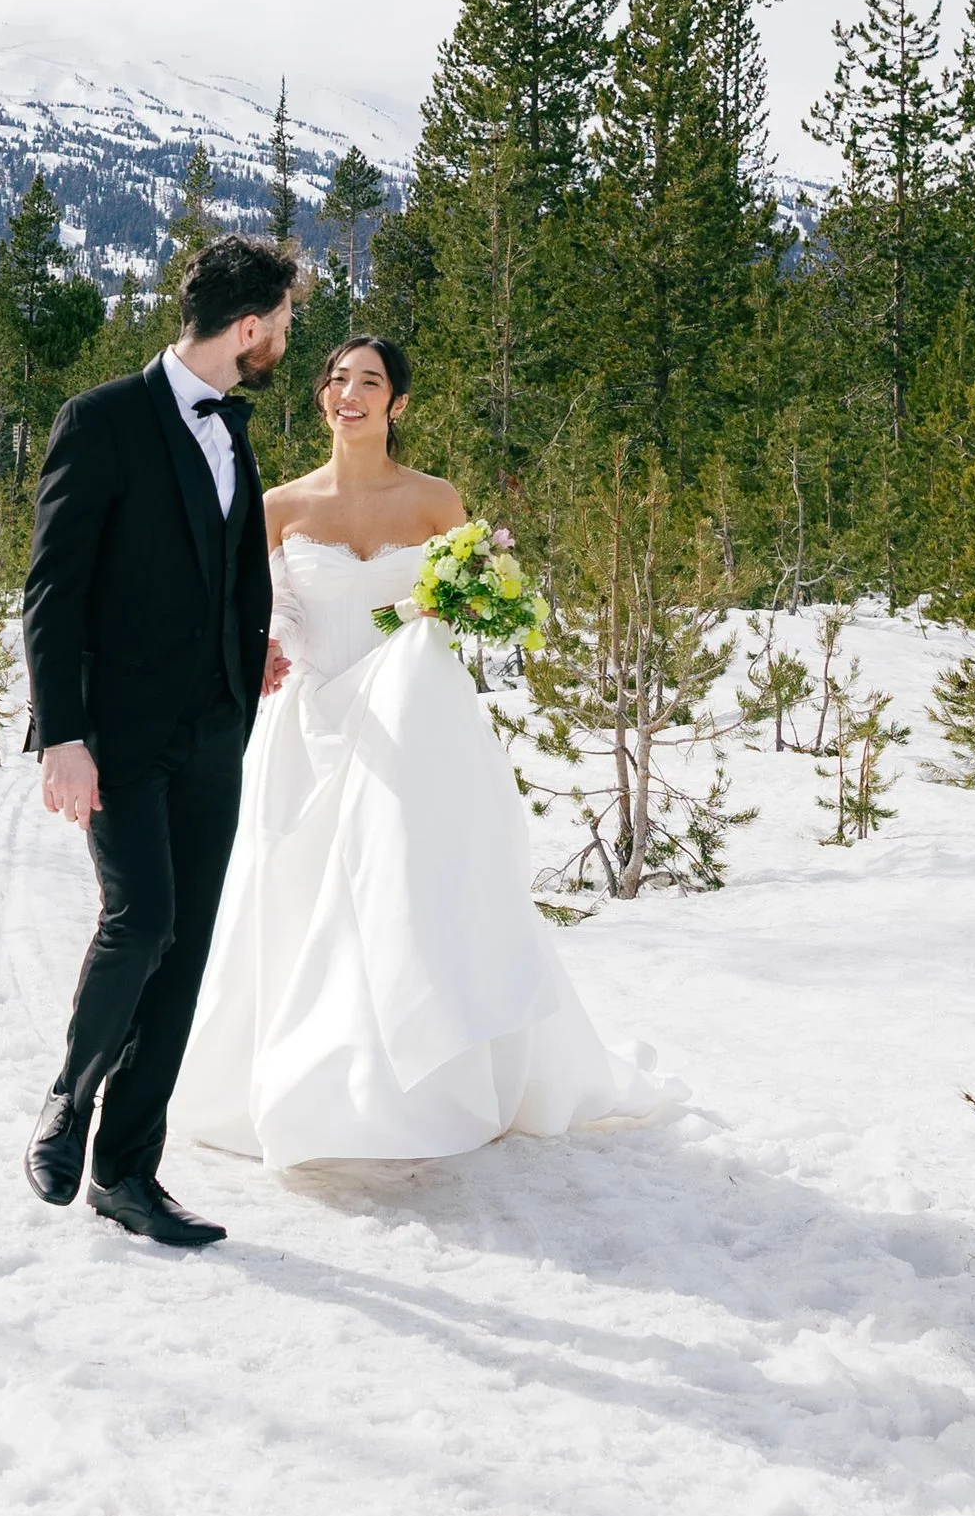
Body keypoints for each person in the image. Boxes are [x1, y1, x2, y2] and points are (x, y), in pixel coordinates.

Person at [177, 334, 654, 1167]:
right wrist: (266, 646)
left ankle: (430, 1084)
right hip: (315, 722)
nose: (349, 394)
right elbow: (265, 608)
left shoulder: (437, 501)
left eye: (369, 382)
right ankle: (310, 1082)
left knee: (409, 888)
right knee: (304, 895)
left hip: (412, 726)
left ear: (397, 404)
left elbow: (471, 603)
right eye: (336, 380)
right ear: (322, 398)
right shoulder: (281, 505)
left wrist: (463, 610)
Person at [21, 233, 301, 1248]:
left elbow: (221, 566)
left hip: (215, 730)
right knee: (138, 921)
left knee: (182, 954)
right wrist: (64, 734)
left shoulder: (234, 428)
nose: (282, 344)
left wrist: (244, 659)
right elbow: (52, 588)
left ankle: (127, 1173)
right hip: (120, 734)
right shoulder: (100, 419)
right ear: (248, 326)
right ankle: (68, 1097)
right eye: (280, 327)